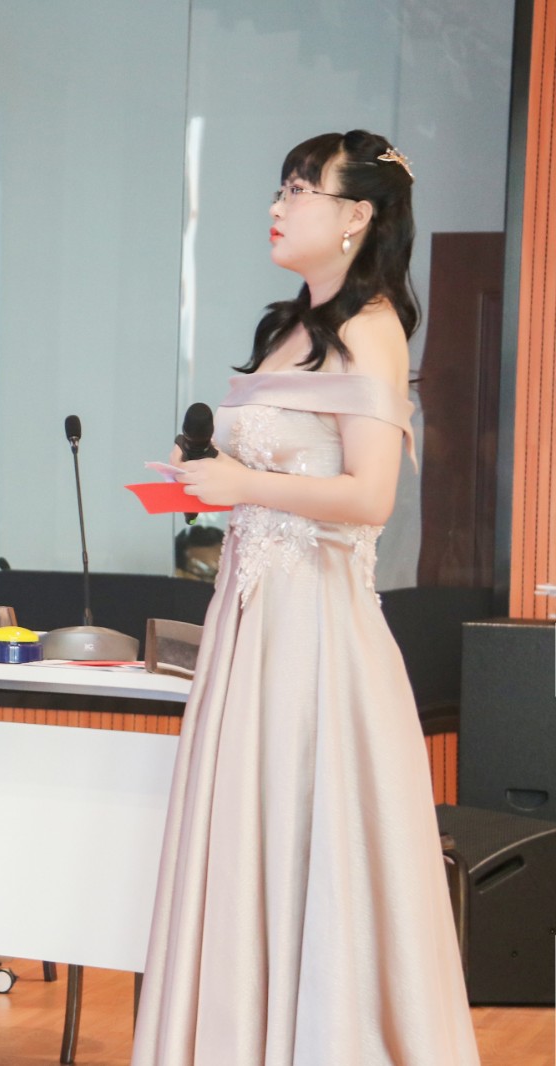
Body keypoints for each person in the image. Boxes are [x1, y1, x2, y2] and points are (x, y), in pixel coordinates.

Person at [132, 130, 480, 1064]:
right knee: (245, 834)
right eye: (280, 188)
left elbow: (370, 498)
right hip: (249, 619)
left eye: (298, 190)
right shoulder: (286, 327)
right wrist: (206, 478)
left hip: (316, 628)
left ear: (357, 214)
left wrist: (245, 484)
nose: (277, 208)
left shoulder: (373, 327)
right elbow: (280, 471)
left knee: (305, 831)